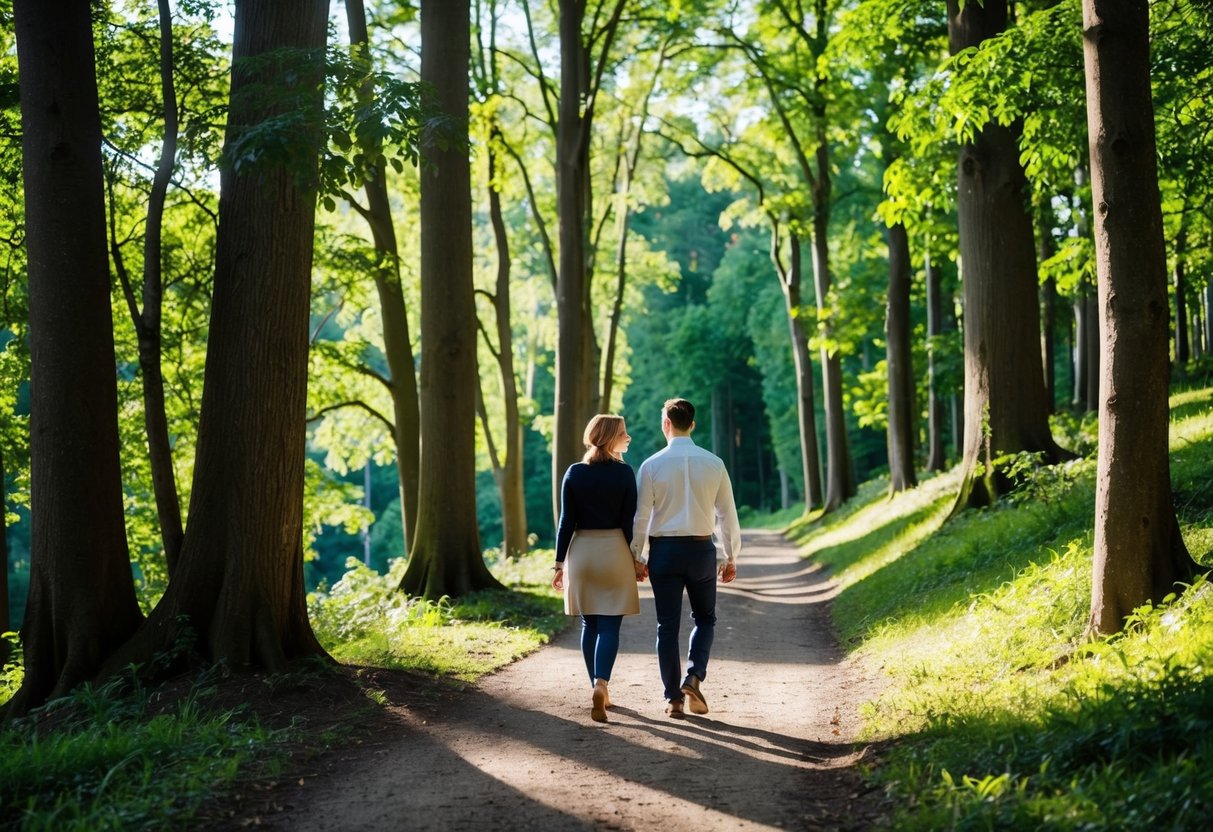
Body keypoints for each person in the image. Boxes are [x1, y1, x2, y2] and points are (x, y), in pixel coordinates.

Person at [631, 397, 741, 718]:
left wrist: (638, 555)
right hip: (701, 550)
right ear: (692, 425)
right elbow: (727, 515)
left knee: (667, 625)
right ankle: (693, 676)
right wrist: (731, 555)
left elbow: (641, 517)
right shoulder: (714, 464)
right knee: (705, 618)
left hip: (664, 552)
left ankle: (673, 699)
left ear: (666, 423)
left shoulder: (651, 466)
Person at [552, 414, 647, 723]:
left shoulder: (574, 472)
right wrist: (636, 558)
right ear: (609, 438)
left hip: (581, 552)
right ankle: (601, 684)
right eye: (624, 433)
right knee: (609, 626)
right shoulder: (623, 473)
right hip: (613, 550)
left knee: (589, 625)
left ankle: (596, 686)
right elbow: (628, 521)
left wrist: (558, 563)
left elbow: (566, 520)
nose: (629, 437)